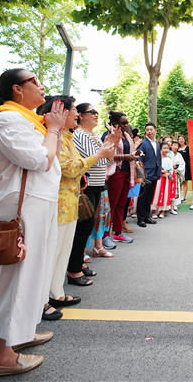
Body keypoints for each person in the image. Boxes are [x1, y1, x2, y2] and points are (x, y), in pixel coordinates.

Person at [0, 69, 64, 377]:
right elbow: (38, 160)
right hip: (21, 205)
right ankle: (1, 357)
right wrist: (54, 129)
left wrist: (51, 129)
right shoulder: (6, 119)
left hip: (37, 202)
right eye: (34, 81)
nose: (42, 86)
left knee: (34, 275)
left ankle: (20, 335)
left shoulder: (27, 119)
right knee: (15, 280)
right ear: (17, 89)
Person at [40, 96, 117, 318]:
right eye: (74, 109)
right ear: (60, 112)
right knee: (52, 254)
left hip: (70, 202)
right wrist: (99, 156)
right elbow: (70, 169)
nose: (76, 113)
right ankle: (43, 300)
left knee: (63, 251)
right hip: (59, 204)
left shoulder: (67, 137)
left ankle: (56, 293)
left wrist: (102, 153)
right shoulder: (55, 137)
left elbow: (80, 167)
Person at [72, 103, 114, 276]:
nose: (96, 115)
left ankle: (78, 264)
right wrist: (106, 150)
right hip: (87, 186)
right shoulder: (80, 134)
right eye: (92, 112)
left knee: (87, 227)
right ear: (81, 115)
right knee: (83, 227)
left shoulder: (94, 135)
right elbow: (98, 160)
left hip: (97, 184)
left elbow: (109, 159)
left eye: (97, 112)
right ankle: (75, 266)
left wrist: (109, 145)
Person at [105, 111, 135, 244]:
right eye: (123, 123)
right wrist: (124, 157)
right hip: (115, 173)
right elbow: (107, 155)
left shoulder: (127, 136)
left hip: (127, 172)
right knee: (111, 204)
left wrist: (134, 154)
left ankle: (118, 232)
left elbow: (129, 152)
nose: (125, 125)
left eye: (126, 123)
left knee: (121, 205)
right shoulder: (109, 135)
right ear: (115, 123)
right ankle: (105, 236)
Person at [136, 123, 162, 226]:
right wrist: (142, 176)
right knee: (142, 197)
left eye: (151, 129)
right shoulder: (143, 143)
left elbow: (158, 159)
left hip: (154, 174)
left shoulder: (157, 143)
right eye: (147, 130)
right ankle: (140, 219)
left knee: (149, 197)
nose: (149, 131)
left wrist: (158, 173)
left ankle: (147, 216)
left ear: (155, 131)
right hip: (146, 175)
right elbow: (140, 160)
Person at [151, 142, 175, 217]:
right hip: (159, 179)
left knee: (165, 194)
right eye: (164, 148)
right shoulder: (157, 158)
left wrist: (168, 174)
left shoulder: (169, 159)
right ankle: (154, 211)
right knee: (156, 194)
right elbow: (154, 168)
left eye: (167, 148)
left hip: (166, 180)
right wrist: (161, 171)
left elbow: (171, 169)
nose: (166, 150)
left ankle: (162, 211)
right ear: (160, 149)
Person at [170, 141, 186, 212]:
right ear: (171, 146)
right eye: (174, 145)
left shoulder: (179, 155)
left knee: (176, 188)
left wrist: (178, 170)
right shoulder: (168, 154)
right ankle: (168, 204)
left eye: (177, 145)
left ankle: (175, 204)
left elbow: (182, 164)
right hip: (169, 173)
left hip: (176, 172)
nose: (175, 147)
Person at [177, 135, 191, 201]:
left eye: (182, 139)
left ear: (184, 140)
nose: (181, 140)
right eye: (180, 139)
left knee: (185, 182)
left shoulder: (188, 148)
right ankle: (178, 196)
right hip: (178, 167)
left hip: (186, 167)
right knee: (179, 182)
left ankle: (184, 197)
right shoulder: (177, 148)